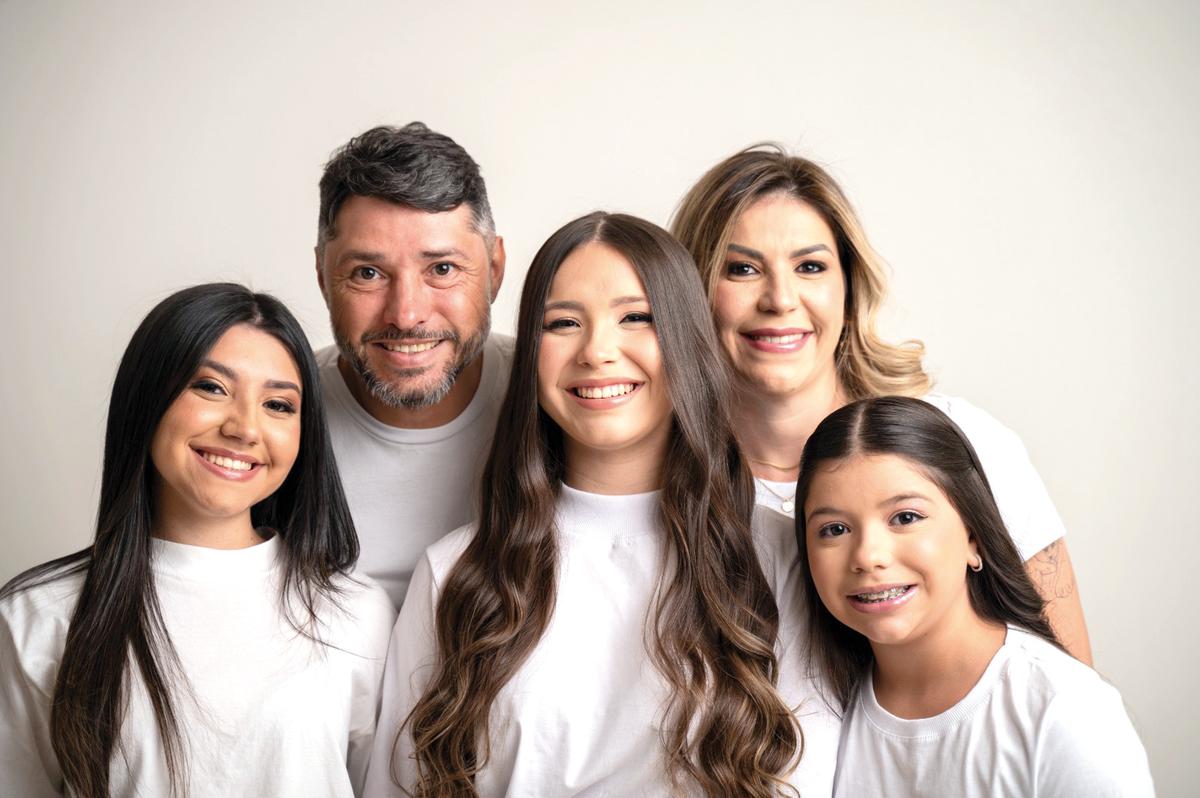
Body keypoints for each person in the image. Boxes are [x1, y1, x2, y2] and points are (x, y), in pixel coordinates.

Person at [364, 213, 840, 797]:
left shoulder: (779, 555)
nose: (597, 351)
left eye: (636, 318)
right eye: (563, 323)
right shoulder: (455, 572)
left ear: (688, 341)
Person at [672, 145, 1093, 662]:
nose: (780, 299)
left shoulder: (966, 442)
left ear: (848, 289)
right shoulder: (661, 477)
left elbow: (1069, 680)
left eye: (809, 266)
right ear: (689, 294)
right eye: (741, 269)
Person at [0, 283, 396, 797]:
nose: (244, 428)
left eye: (278, 404)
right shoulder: (37, 615)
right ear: (148, 398)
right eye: (211, 387)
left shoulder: (356, 613)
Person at [794, 396, 1153, 796]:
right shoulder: (824, 720)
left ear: (973, 537)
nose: (868, 556)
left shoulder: (1065, 710)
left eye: (906, 518)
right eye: (834, 529)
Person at [314, 122, 513, 608]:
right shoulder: (273, 416)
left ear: (494, 270)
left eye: (441, 269)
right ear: (322, 275)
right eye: (368, 273)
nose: (405, 315)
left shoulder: (553, 398)